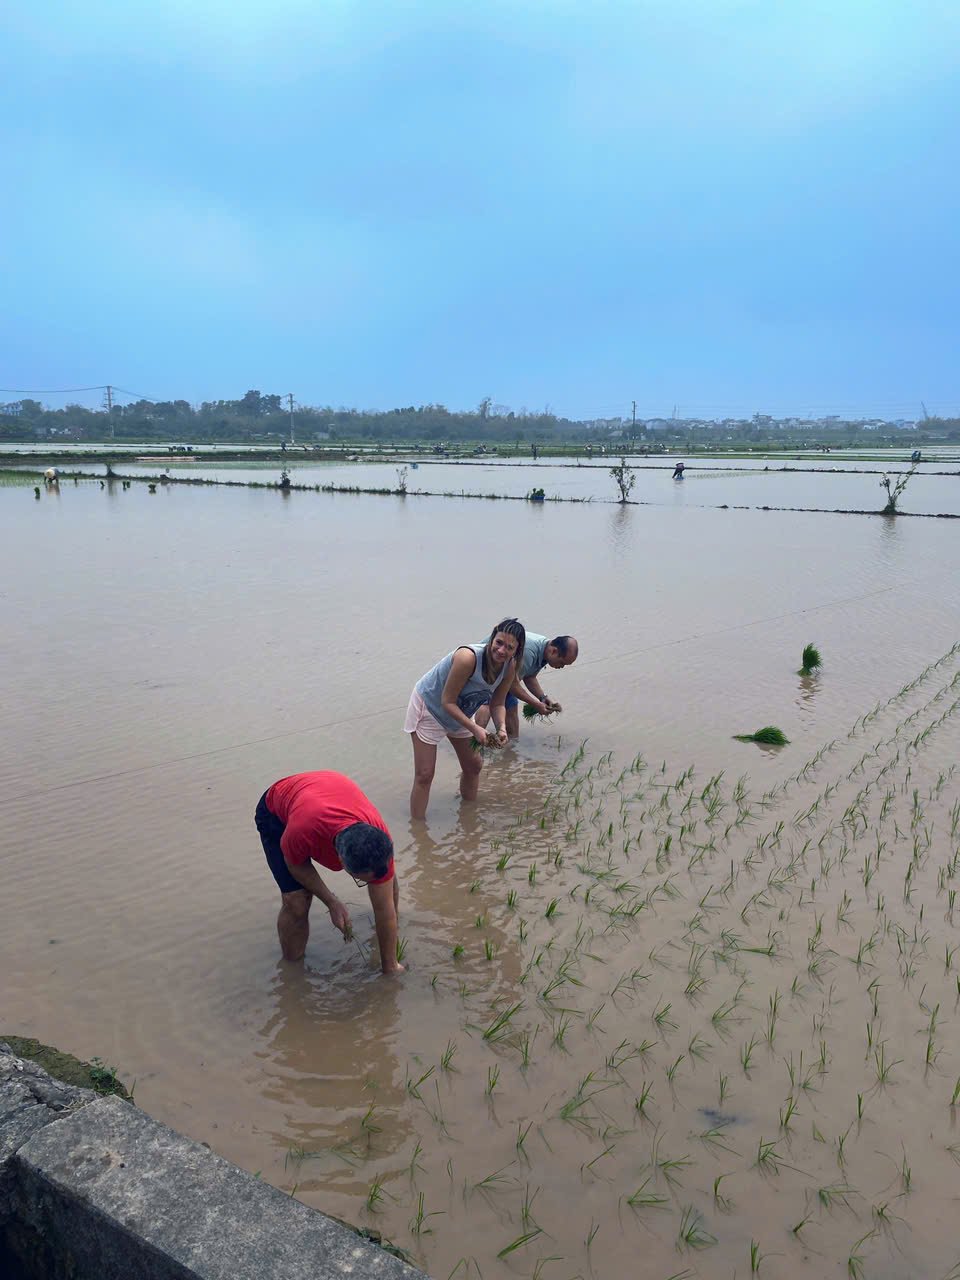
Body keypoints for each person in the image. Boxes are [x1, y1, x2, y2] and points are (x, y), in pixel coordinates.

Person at [255, 771, 402, 974]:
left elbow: (384, 909)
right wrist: (331, 902)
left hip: (325, 791)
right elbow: (295, 865)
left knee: (386, 888)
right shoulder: (302, 831)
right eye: (362, 881)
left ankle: (390, 943)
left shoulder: (379, 839)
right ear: (339, 861)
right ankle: (291, 972)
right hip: (277, 811)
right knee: (297, 901)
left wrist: (390, 968)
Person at [405, 618, 525, 819]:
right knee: (424, 775)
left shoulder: (509, 667)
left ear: (517, 651)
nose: (502, 651)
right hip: (430, 707)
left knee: (473, 766)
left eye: (509, 647)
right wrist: (476, 729)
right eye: (499, 643)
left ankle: (469, 817)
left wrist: (502, 727)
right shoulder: (467, 658)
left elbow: (497, 703)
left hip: (460, 710)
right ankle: (418, 831)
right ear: (491, 639)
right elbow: (447, 701)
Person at [476, 633, 579, 738]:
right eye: (562, 662)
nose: (562, 667)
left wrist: (543, 698)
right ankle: (474, 741)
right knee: (487, 704)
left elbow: (529, 677)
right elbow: (512, 685)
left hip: (506, 677)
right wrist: (535, 704)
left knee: (512, 725)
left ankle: (509, 750)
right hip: (487, 671)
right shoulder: (529, 652)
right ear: (554, 651)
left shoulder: (545, 651)